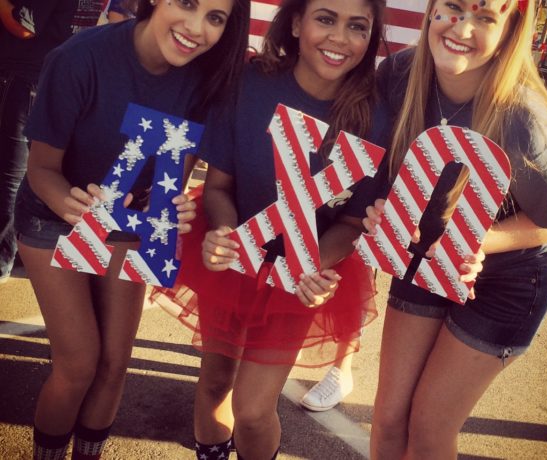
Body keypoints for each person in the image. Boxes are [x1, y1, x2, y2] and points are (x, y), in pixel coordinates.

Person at [150, 0, 389, 458]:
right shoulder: (250, 85)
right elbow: (219, 187)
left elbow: (353, 222)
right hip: (234, 262)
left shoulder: (375, 117)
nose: (339, 38)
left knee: (254, 410)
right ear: (296, 22)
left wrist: (313, 264)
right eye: (325, 19)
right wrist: (223, 233)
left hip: (302, 275)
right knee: (215, 384)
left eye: (357, 26)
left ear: (371, 37)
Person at [13, 0, 250, 458]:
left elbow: (172, 180)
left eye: (216, 17)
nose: (196, 27)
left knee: (114, 364)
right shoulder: (78, 57)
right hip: (52, 215)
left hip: (129, 222)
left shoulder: (207, 78)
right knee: (79, 364)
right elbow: (41, 170)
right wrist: (72, 205)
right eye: (188, 3)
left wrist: (174, 208)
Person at [362, 0, 547, 458]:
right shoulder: (398, 74)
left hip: (510, 278)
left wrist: (477, 241)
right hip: (427, 254)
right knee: (389, 417)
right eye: (454, 8)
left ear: (509, 32)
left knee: (429, 427)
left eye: (484, 18)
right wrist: (382, 209)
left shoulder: (523, 118)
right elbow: (378, 167)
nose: (462, 29)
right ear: (431, 10)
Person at [0, 0, 108, 284]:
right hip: (46, 78)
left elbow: (25, 26)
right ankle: (19, 249)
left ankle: (4, 257)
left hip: (26, 78)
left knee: (12, 171)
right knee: (29, 170)